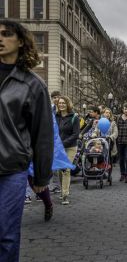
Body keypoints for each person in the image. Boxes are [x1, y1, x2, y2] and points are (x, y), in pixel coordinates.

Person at [0, 20, 54, 262]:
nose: (0, 38)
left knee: (6, 234)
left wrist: (42, 176)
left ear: (20, 41)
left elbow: (42, 135)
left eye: (6, 34)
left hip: (11, 169)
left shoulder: (33, 84)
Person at [56, 96, 80, 205]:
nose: (61, 105)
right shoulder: (56, 116)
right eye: (59, 103)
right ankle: (62, 190)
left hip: (70, 147)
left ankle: (65, 194)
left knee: (66, 169)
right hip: (58, 148)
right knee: (59, 170)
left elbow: (76, 134)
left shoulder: (74, 117)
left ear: (68, 104)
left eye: (63, 103)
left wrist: (63, 143)